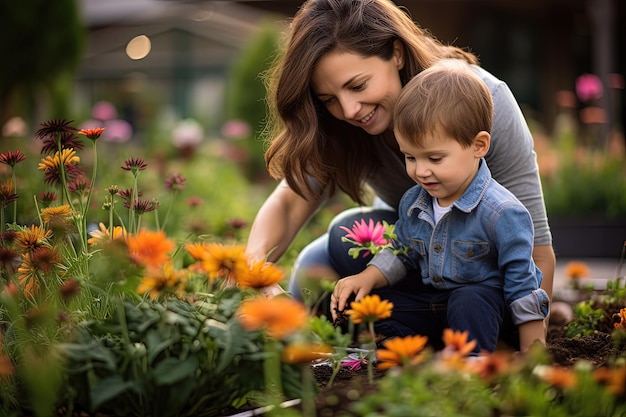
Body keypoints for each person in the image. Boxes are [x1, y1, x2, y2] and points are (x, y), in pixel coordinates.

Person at [245, 0, 555, 325]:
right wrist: (253, 267)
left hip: (482, 276)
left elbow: (537, 251)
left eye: (358, 85)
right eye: (329, 99)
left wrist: (531, 341)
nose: (349, 110)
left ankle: (456, 324)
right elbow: (291, 201)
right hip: (412, 258)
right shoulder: (341, 125)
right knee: (330, 248)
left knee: (473, 303)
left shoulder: (484, 101)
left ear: (396, 53)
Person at [330, 60, 549, 353]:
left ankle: (474, 360)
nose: (420, 172)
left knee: (469, 300)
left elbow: (523, 286)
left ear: (479, 146)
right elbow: (402, 251)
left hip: (487, 311)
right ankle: (417, 351)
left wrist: (533, 352)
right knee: (369, 308)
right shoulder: (415, 201)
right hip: (436, 304)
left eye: (434, 159)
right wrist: (366, 277)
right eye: (410, 157)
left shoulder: (503, 213)